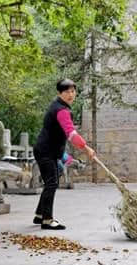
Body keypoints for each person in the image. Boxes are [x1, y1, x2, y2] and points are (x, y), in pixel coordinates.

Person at [33, 79, 95, 230]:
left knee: (53, 178)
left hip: (49, 151)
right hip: (46, 151)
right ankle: (47, 220)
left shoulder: (60, 107)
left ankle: (40, 215)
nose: (71, 94)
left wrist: (66, 157)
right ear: (59, 93)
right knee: (52, 183)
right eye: (67, 91)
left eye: (73, 91)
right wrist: (87, 149)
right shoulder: (61, 110)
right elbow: (71, 134)